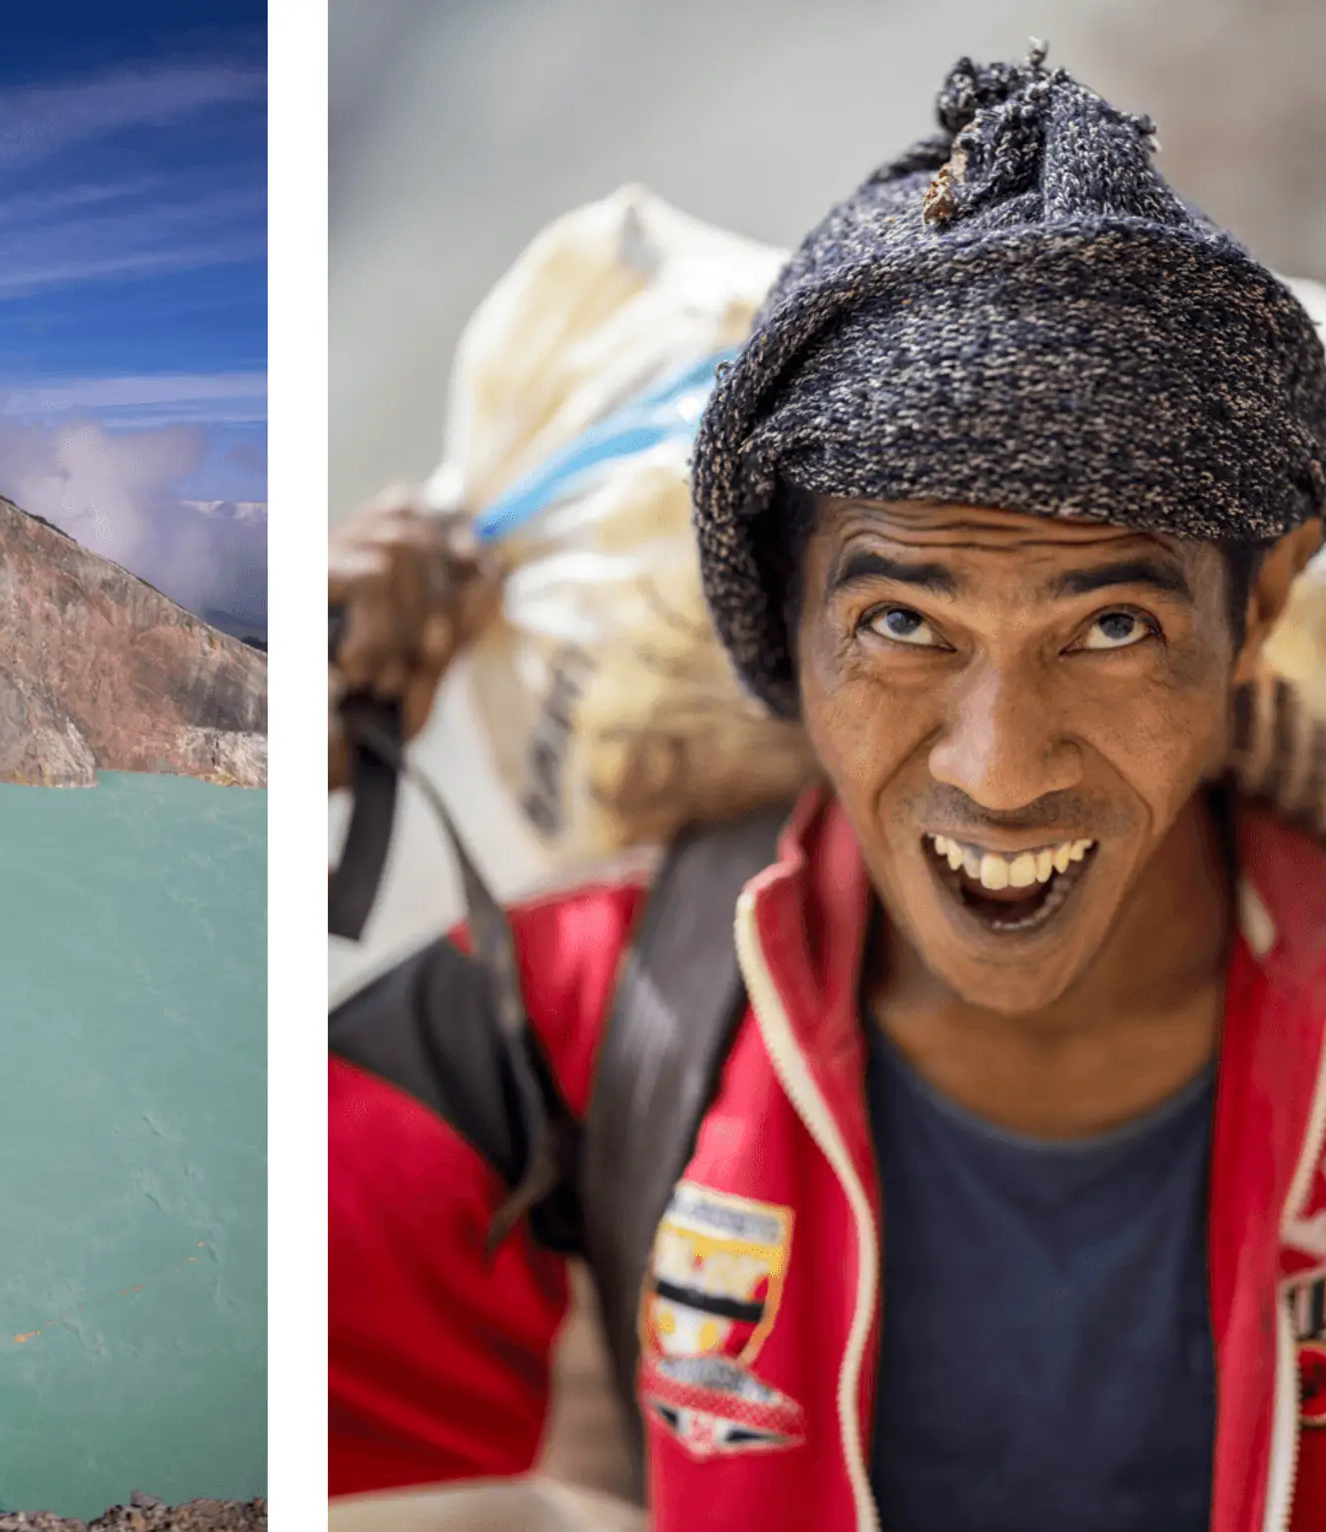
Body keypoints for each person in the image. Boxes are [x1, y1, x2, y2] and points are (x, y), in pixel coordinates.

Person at [328, 49, 1326, 1532]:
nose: (998, 769)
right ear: (778, 631)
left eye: (1112, 628)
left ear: (1258, 614)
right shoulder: (578, 1025)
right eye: (902, 625)